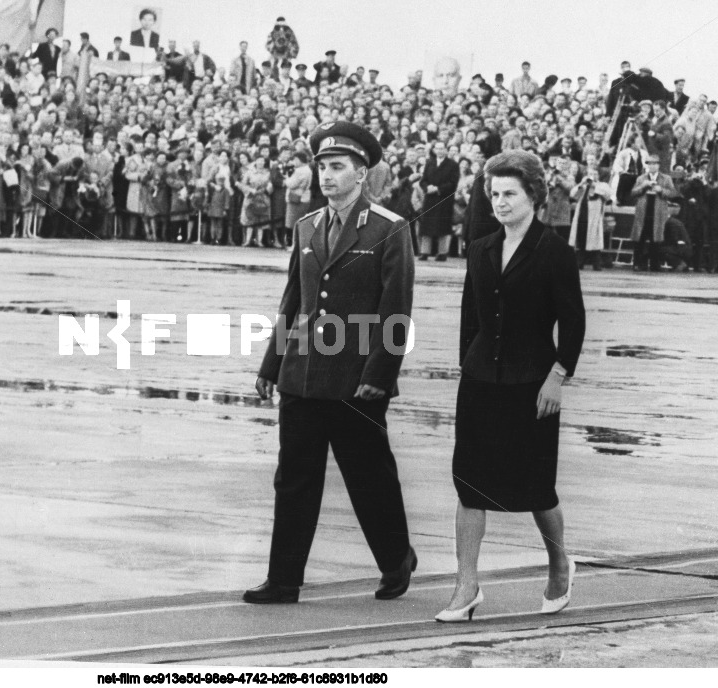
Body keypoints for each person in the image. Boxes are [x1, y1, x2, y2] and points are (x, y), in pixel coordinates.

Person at [245, 121, 416, 604]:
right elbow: (293, 301)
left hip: (355, 381)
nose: (326, 176)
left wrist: (379, 376)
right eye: (321, 166)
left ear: (362, 174)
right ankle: (283, 580)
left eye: (337, 167)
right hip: (302, 376)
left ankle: (396, 558)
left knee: (369, 479)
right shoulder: (306, 226)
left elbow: (396, 310)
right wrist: (271, 365)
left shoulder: (388, 228)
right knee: (294, 479)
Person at [439, 149, 585, 623]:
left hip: (534, 383)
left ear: (534, 197)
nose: (500, 203)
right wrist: (468, 365)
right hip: (482, 381)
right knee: (470, 483)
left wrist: (558, 377)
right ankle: (466, 586)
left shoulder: (555, 251)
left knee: (537, 487)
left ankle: (560, 564)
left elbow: (574, 322)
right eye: (494, 194)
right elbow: (470, 317)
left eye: (510, 194)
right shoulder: (480, 248)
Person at [629, 153, 677, 271]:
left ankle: (655, 264)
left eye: (654, 164)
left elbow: (673, 194)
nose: (652, 166)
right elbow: (633, 193)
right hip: (643, 213)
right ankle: (637, 263)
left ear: (658, 165)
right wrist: (643, 187)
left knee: (656, 240)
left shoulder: (666, 178)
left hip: (658, 213)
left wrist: (661, 190)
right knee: (639, 239)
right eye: (650, 164)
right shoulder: (641, 178)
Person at [417, 140, 460, 260]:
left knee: (443, 226)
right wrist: (427, 187)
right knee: (426, 226)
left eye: (442, 148)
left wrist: (438, 189)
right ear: (434, 150)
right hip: (430, 198)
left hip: (444, 199)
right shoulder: (429, 163)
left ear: (446, 150)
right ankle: (424, 252)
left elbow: (453, 183)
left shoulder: (452, 165)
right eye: (437, 148)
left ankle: (442, 253)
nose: (440, 151)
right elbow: (423, 180)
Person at [568, 168, 613, 270]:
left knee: (594, 240)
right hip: (582, 216)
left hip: (594, 217)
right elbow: (573, 195)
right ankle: (580, 262)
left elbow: (608, 195)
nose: (592, 175)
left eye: (594, 173)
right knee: (581, 239)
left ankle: (596, 264)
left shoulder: (602, 185)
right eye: (590, 174)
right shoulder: (584, 186)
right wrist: (581, 183)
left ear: (598, 175)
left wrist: (594, 185)